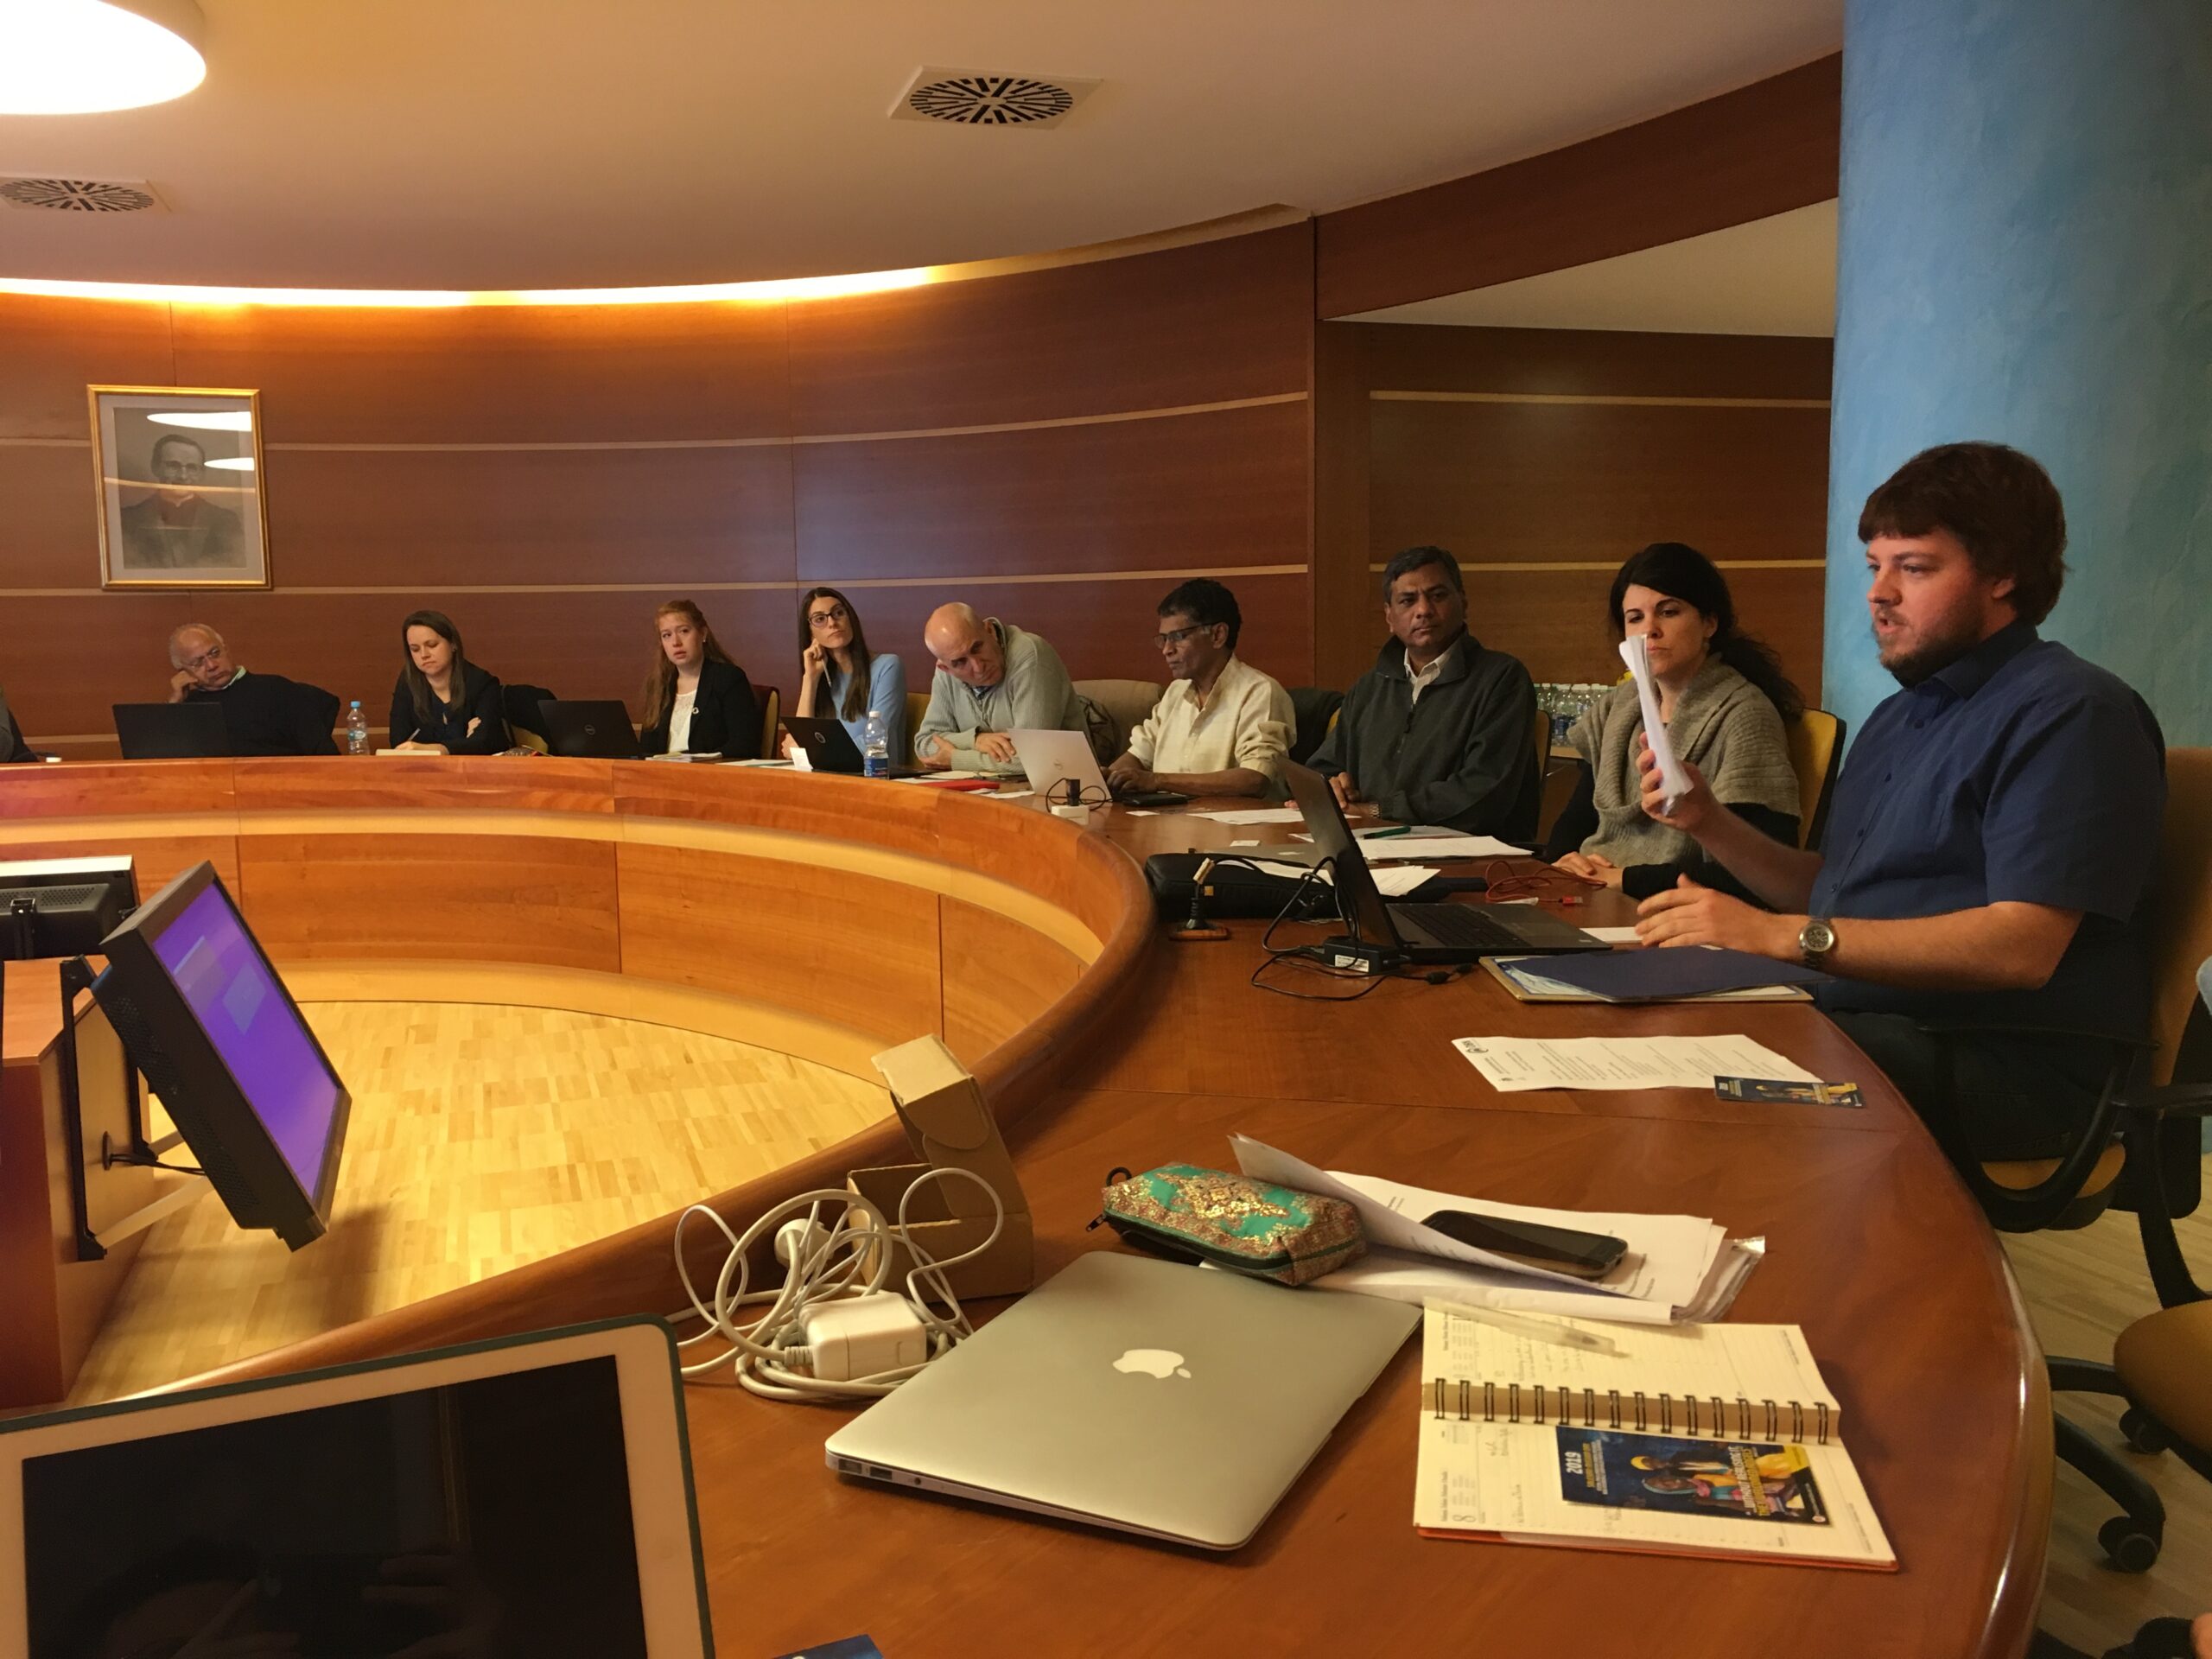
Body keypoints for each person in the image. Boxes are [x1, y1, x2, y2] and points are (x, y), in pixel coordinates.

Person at [1633, 442, 2166, 1165]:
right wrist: (1709, 822)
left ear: (2003, 574)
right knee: (1648, 1026)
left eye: (1913, 568)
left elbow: (2022, 948)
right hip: (1875, 1025)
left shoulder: (2072, 711)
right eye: (1874, 567)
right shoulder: (1899, 716)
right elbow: (1833, 892)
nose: (1878, 593)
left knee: (1691, 1085)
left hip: (2005, 1066)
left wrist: (1783, 937)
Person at [1541, 543, 1802, 899]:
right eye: (1635, 618)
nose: (1649, 630)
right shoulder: (1616, 707)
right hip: (1593, 891)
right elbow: (1576, 821)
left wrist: (1626, 879)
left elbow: (1752, 873)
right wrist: (1564, 860)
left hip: (1673, 905)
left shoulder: (1745, 714)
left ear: (1709, 622)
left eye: (1668, 612)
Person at [1306, 545, 1541, 836]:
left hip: (1466, 850)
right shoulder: (1370, 687)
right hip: (1368, 841)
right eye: (1408, 601)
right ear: (1389, 616)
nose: (1423, 611)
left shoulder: (1502, 679)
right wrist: (1333, 787)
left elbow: (1484, 792)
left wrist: (1380, 811)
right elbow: (1323, 767)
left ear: (1463, 602)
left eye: (1437, 596)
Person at [1106, 578, 1292, 799]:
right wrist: (1105, 778)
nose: (1167, 650)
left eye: (1177, 637)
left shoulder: (1259, 692)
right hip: (1167, 817)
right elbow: (1138, 755)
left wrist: (1157, 780)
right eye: (1164, 639)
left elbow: (1255, 779)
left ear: (1217, 635)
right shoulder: (1175, 692)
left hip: (1233, 821)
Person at [913, 603, 1085, 775]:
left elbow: (1032, 759)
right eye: (961, 662)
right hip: (989, 785)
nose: (978, 667)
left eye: (977, 648)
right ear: (946, 668)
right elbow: (924, 744)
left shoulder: (1031, 657)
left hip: (1061, 784)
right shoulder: (946, 673)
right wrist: (975, 740)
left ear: (990, 631)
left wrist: (956, 759)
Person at [166, 623, 339, 756]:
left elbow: (324, 754)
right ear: (182, 671)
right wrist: (174, 706)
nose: (211, 665)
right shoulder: (187, 708)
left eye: (215, 653)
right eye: (198, 663)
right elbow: (163, 767)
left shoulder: (276, 689)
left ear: (226, 648)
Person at [785, 586, 906, 759]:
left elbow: (875, 743)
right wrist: (810, 678)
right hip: (827, 773)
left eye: (838, 613)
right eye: (820, 619)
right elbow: (800, 739)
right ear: (811, 633)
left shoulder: (888, 666)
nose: (832, 623)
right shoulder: (821, 677)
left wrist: (809, 750)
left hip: (874, 772)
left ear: (851, 619)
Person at [637, 598, 760, 759]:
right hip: (663, 772)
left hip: (712, 771)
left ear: (703, 633)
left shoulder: (728, 679)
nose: (676, 642)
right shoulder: (659, 685)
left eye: (684, 631)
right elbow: (646, 750)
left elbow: (744, 745)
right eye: (667, 635)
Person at [385, 609, 508, 754]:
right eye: (415, 649)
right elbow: (398, 743)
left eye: (432, 645)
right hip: (424, 768)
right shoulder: (408, 682)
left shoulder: (481, 683)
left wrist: (439, 749)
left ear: (453, 644)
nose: (424, 655)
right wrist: (465, 743)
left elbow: (485, 742)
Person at [119, 434, 245, 569]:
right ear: (155, 467)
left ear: (201, 473)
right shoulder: (128, 519)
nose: (183, 476)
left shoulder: (225, 520)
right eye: (173, 466)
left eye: (192, 468)